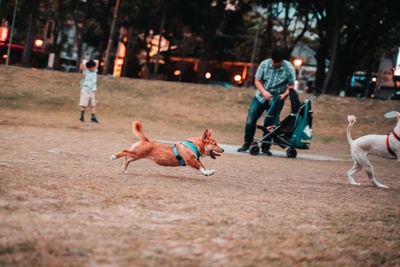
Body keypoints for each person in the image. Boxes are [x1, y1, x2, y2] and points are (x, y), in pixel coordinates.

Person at [237, 48, 296, 155]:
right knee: (251, 119)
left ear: (283, 61)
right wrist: (264, 92)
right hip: (261, 97)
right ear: (272, 60)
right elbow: (257, 80)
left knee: (271, 124)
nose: (277, 64)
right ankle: (247, 143)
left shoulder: (288, 68)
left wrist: (285, 95)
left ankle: (265, 147)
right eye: (275, 62)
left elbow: (291, 85)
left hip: (277, 99)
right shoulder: (264, 64)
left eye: (280, 62)